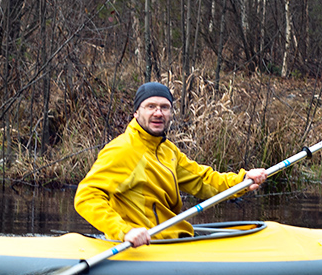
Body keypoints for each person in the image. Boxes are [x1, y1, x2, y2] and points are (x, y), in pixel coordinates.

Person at [74, 82, 267, 248]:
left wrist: (242, 180)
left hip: (171, 240)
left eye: (164, 107)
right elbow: (86, 196)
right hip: (143, 246)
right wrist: (124, 231)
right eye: (150, 106)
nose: (158, 113)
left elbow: (202, 180)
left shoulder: (168, 151)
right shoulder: (123, 149)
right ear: (136, 113)